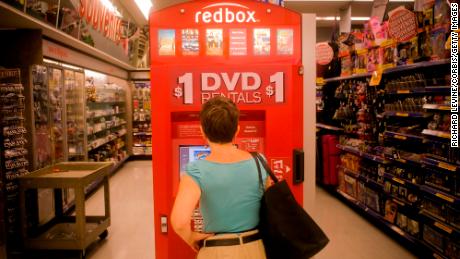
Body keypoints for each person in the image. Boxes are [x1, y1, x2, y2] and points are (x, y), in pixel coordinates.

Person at [171, 96, 268, 259]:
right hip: (256, 248)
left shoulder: (195, 170)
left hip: (217, 250)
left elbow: (179, 222)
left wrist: (191, 238)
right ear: (237, 130)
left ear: (202, 130)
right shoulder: (260, 161)